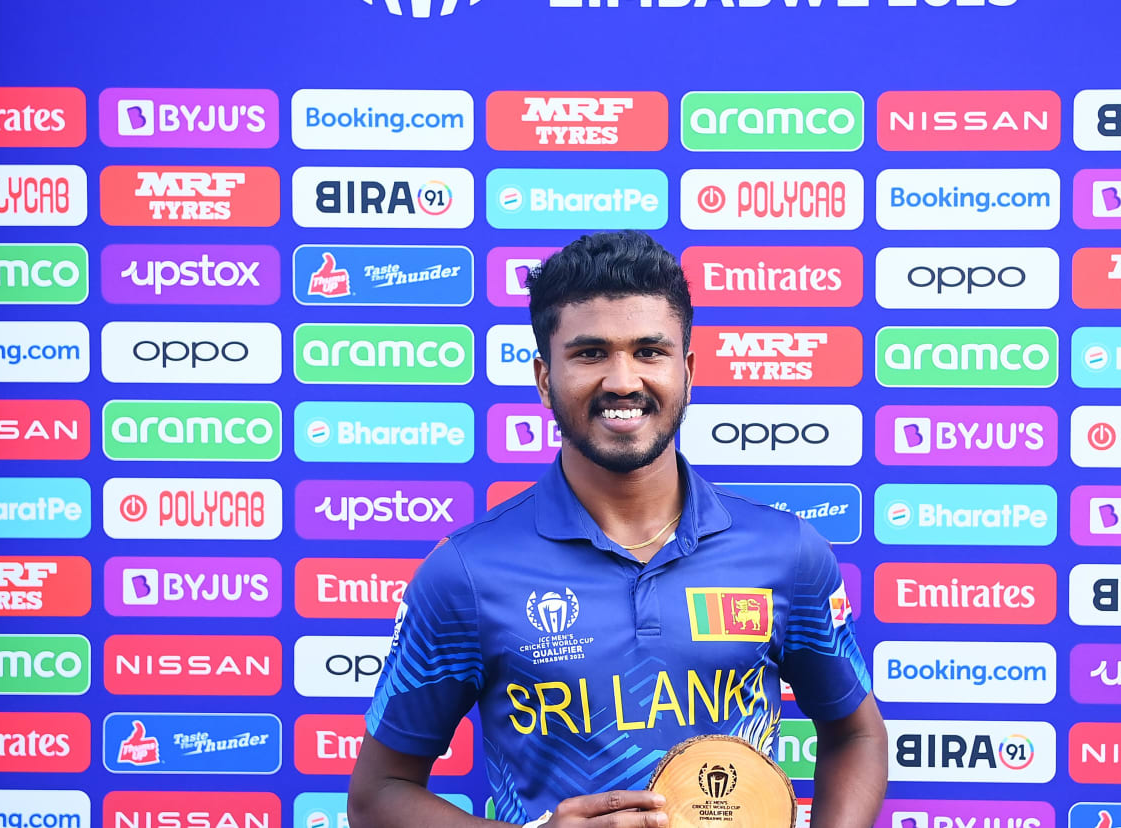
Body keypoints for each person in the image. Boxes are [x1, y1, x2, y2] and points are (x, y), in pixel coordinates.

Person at [347, 230, 887, 828]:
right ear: (544, 378)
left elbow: (856, 734)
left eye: (650, 351)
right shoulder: (467, 573)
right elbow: (378, 794)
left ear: (688, 370)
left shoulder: (786, 553)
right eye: (589, 353)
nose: (623, 381)